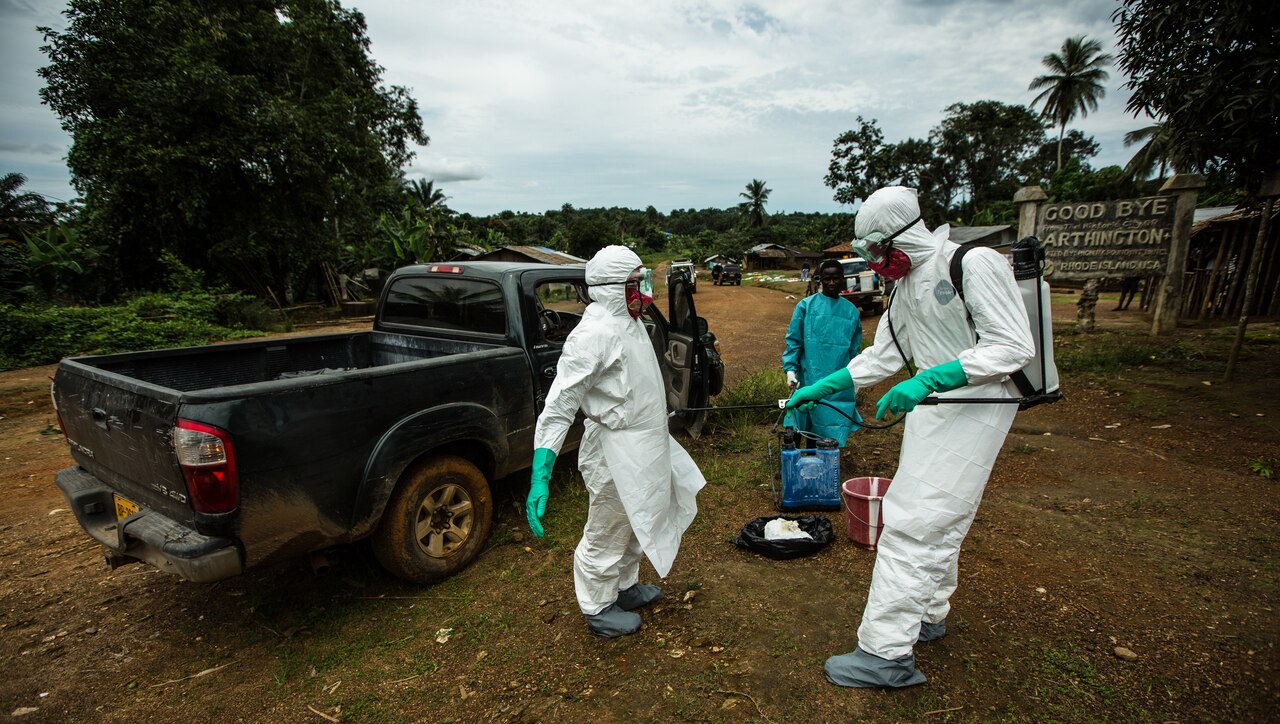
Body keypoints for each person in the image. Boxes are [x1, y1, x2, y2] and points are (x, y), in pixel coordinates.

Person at [787, 186, 1034, 687]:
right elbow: (884, 356)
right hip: (935, 410)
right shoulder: (903, 287)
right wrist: (823, 386)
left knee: (911, 522)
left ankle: (885, 654)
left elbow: (1013, 346)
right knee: (942, 517)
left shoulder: (973, 262)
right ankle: (928, 612)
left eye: (877, 252)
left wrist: (929, 378)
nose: (875, 264)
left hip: (975, 407)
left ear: (904, 235)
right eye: (868, 256)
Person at [526, 245, 707, 638]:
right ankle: (597, 604)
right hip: (614, 451)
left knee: (637, 520)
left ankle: (625, 587)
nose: (645, 294)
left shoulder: (630, 322)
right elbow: (559, 406)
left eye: (645, 282)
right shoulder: (592, 335)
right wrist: (541, 472)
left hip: (646, 446)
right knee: (607, 527)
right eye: (636, 284)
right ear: (611, 288)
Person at [781, 259, 863, 446]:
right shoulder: (806, 306)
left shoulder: (851, 312)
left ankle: (819, 464)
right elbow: (794, 340)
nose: (832, 283)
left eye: (836, 278)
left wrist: (855, 377)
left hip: (836, 380)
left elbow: (853, 350)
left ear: (843, 279)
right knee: (797, 421)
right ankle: (791, 462)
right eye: (827, 279)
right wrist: (791, 370)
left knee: (827, 426)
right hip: (807, 374)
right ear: (820, 280)